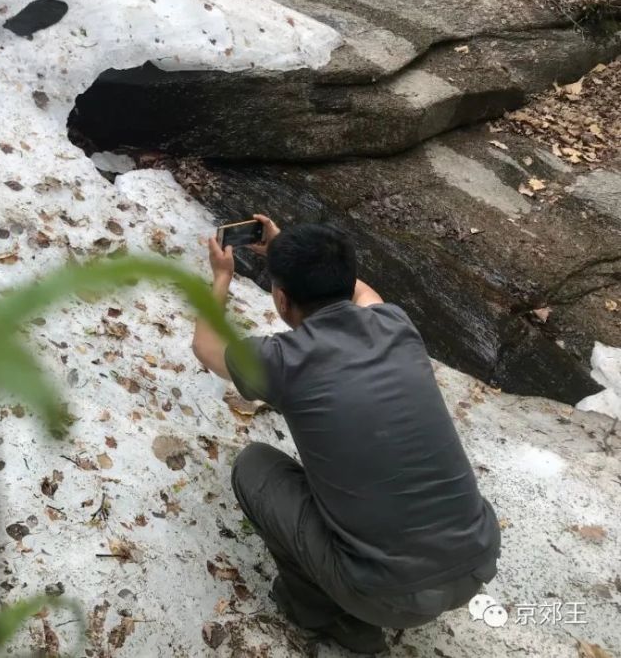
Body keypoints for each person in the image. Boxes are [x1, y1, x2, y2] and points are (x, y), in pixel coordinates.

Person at [191, 216, 500, 654]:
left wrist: (222, 276)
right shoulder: (396, 323)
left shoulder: (282, 360)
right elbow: (360, 292)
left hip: (385, 595)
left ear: (280, 298)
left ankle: (322, 612)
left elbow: (205, 345)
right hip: (476, 562)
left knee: (254, 465)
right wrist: (294, 250)